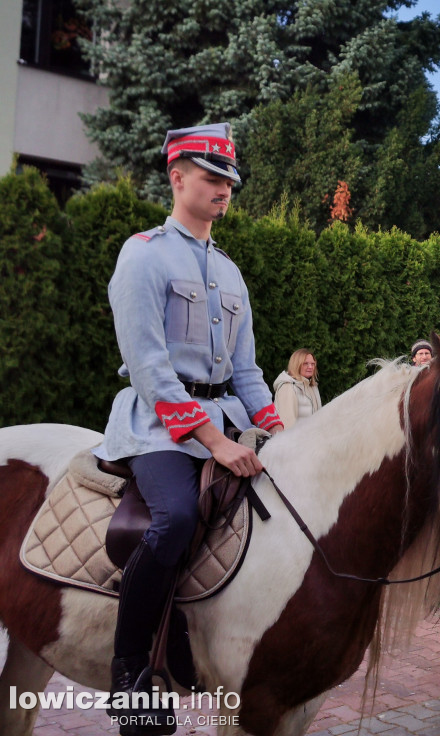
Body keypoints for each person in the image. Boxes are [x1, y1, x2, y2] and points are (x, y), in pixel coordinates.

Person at [92, 122, 284, 727]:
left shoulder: (230, 274)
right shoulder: (143, 254)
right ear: (178, 179)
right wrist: (213, 441)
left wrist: (279, 432)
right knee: (174, 517)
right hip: (158, 424)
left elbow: (249, 372)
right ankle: (130, 672)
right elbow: (149, 367)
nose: (224, 189)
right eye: (211, 178)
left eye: (229, 180)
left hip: (223, 414)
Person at [273, 348, 322, 428]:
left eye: (312, 364)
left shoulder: (312, 387)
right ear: (296, 364)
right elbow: (287, 424)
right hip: (295, 439)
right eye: (305, 363)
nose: (310, 367)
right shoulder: (287, 387)